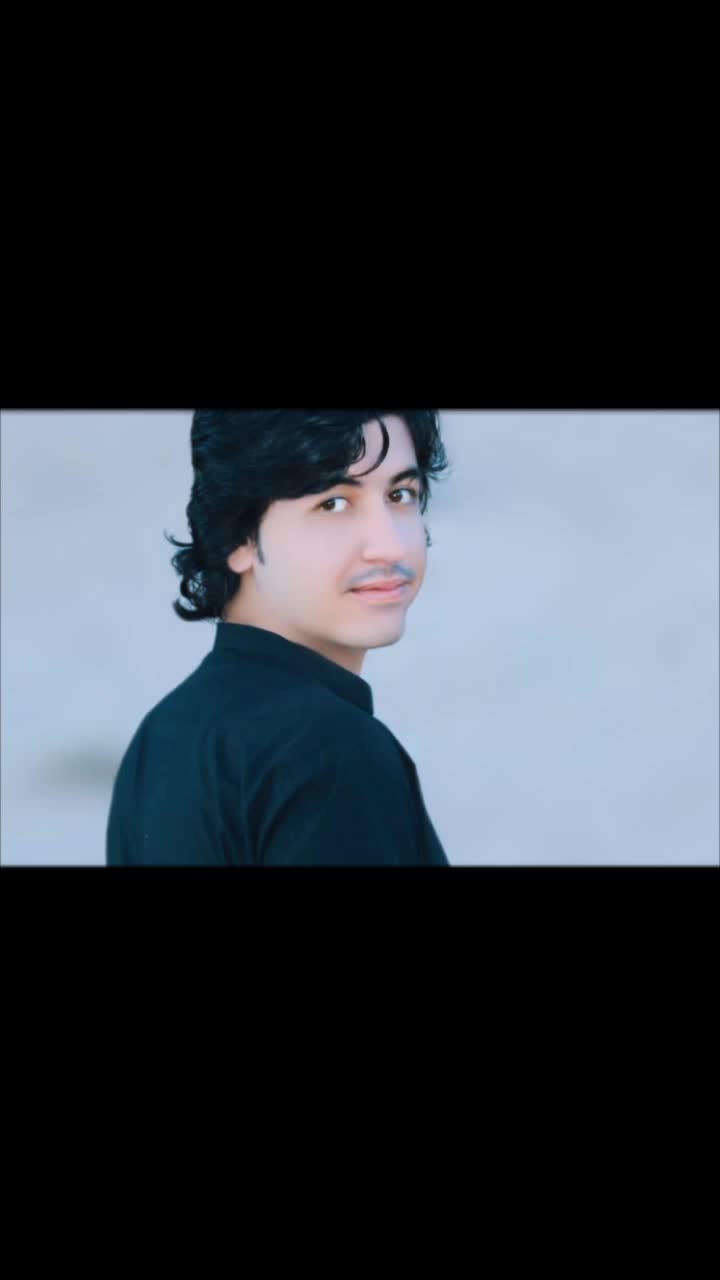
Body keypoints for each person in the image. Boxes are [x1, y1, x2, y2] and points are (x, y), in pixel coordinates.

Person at [106, 410, 453, 866]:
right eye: (333, 503)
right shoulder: (333, 750)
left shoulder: (162, 735)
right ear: (238, 535)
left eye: (400, 494)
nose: (389, 545)